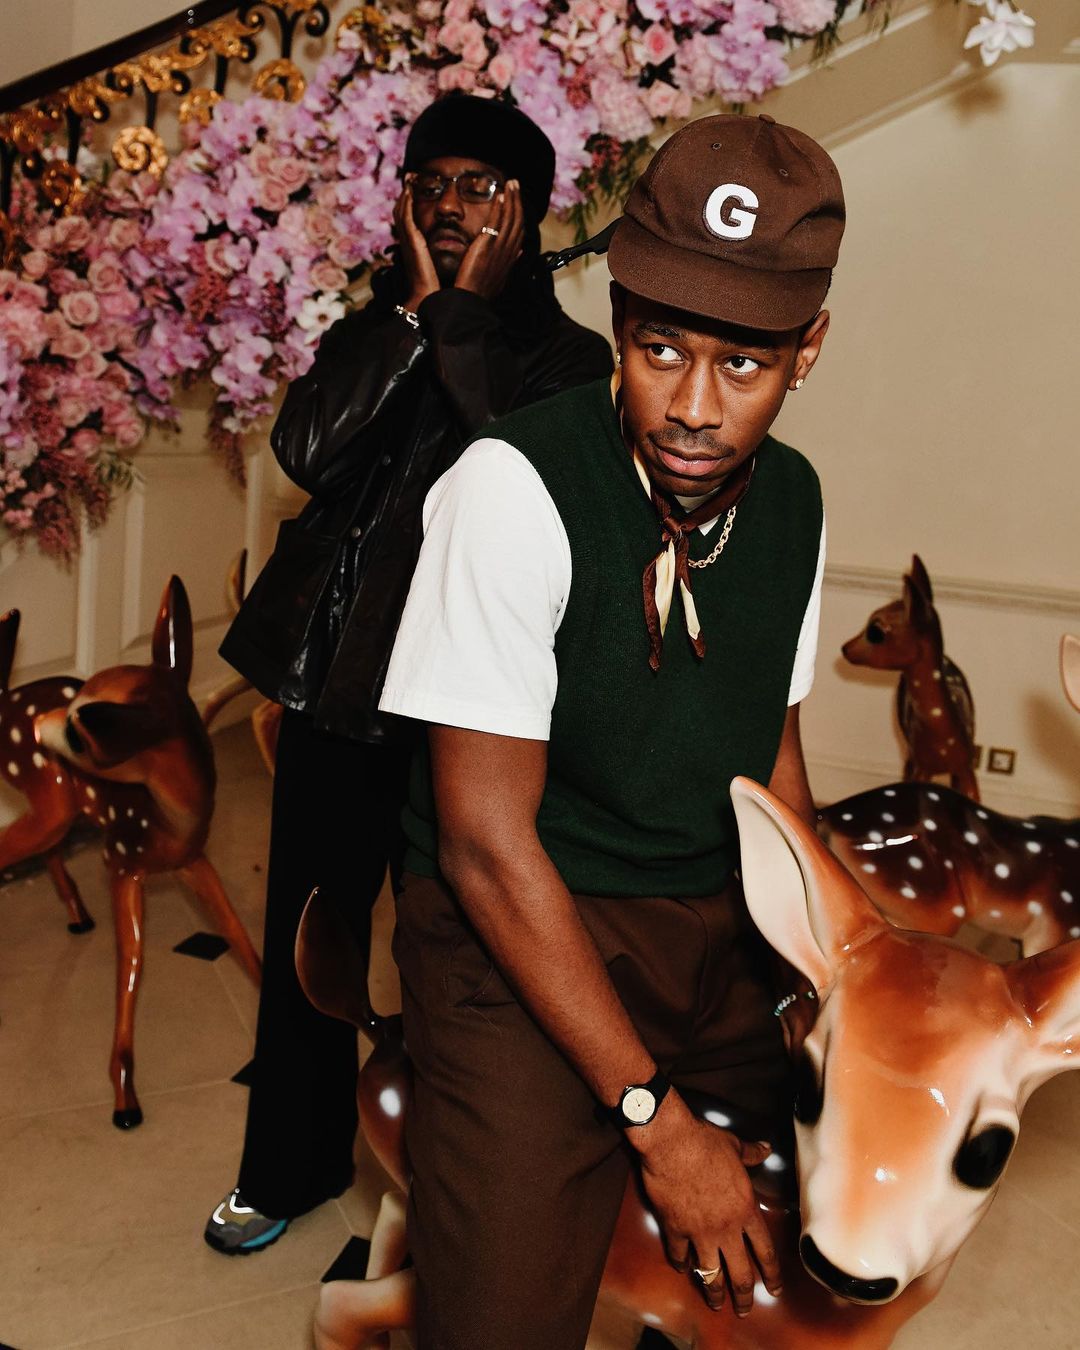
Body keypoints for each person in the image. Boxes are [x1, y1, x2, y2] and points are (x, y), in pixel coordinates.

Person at [376, 111, 844, 1346]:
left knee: (868, 1186)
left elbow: (775, 764)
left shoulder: (796, 502)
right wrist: (659, 1123)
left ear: (808, 351)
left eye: (743, 367)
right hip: (519, 927)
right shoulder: (509, 489)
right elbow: (485, 848)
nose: (693, 408)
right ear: (621, 322)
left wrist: (832, 968)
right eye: (660, 350)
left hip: (712, 922)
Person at [203, 93, 613, 1254]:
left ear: (527, 213)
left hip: (469, 710)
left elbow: (511, 472)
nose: (449, 204)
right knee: (312, 945)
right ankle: (288, 1165)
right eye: (431, 182)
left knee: (457, 962)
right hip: (338, 691)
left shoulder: (570, 359)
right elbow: (305, 449)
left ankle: (465, 1199)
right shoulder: (373, 329)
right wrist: (414, 325)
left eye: (480, 186)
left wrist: (461, 322)